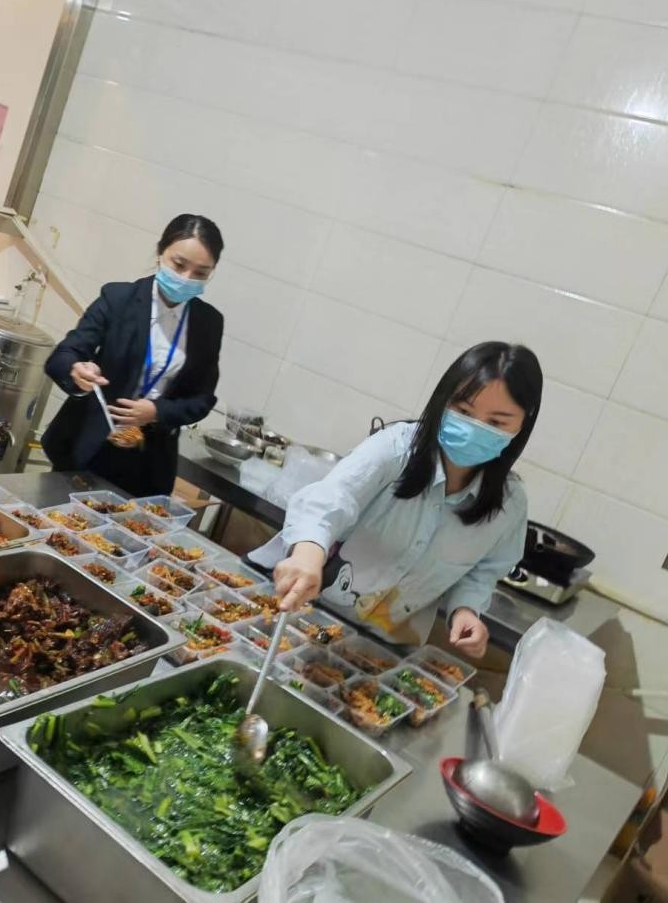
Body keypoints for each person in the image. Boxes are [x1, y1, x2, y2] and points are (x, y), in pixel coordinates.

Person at [250, 342, 543, 659]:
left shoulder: (510, 504)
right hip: (295, 612)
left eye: (496, 423)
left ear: (522, 424)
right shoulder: (395, 448)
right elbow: (331, 499)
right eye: (463, 411)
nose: (475, 430)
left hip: (374, 650)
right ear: (443, 400)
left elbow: (484, 571)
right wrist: (307, 554)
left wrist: (466, 610)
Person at [42, 214, 225, 497]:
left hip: (149, 461)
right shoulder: (118, 299)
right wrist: (77, 370)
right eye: (179, 265)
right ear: (160, 252)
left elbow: (202, 399)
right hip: (88, 447)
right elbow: (65, 354)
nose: (186, 278)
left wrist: (157, 412)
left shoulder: (208, 322)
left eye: (200, 273)